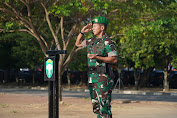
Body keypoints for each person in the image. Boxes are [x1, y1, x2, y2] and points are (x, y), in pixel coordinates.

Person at [75, 16, 118, 118]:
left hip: (103, 78)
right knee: (96, 107)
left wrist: (97, 57)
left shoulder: (108, 42)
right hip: (92, 77)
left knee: (104, 107)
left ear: (102, 28)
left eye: (95, 26)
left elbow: (114, 59)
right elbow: (78, 44)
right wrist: (82, 32)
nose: (93, 28)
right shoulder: (92, 41)